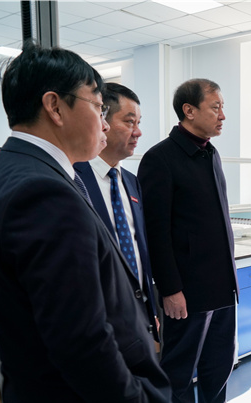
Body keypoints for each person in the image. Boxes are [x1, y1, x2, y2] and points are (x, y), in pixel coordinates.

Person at [0, 43, 175, 403]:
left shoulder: (11, 169)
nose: (104, 122)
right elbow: (78, 336)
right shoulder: (42, 190)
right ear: (55, 107)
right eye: (98, 106)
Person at [137, 78, 251, 403]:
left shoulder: (211, 154)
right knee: (180, 369)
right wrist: (170, 288)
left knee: (220, 360)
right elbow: (155, 232)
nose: (223, 115)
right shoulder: (160, 159)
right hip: (187, 290)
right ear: (189, 111)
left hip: (221, 284)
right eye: (215, 107)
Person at [74, 83, 160, 344]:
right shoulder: (74, 179)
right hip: (99, 320)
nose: (138, 132)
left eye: (139, 123)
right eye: (129, 122)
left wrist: (151, 309)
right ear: (103, 121)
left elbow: (139, 247)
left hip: (139, 316)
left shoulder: (131, 182)